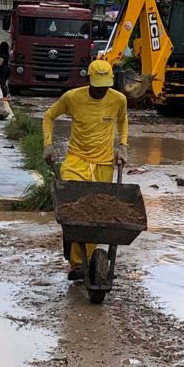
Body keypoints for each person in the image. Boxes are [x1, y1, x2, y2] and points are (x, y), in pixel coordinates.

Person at [42, 58, 128, 280]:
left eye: (106, 87)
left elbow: (123, 121)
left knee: (96, 215)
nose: (102, 91)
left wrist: (123, 146)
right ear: (89, 80)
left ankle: (89, 261)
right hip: (76, 160)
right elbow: (49, 115)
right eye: (98, 87)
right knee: (74, 209)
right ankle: (77, 263)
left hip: (103, 164)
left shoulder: (118, 100)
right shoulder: (73, 98)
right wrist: (48, 145)